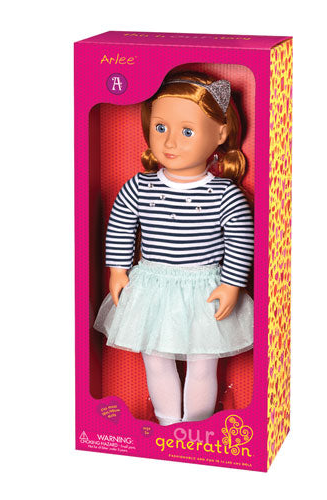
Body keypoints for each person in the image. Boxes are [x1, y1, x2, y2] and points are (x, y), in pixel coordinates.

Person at [93, 71, 254, 426]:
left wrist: (231, 283)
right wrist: (117, 270)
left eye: (187, 132)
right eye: (160, 127)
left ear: (220, 134)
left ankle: (196, 424)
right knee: (155, 358)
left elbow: (240, 240)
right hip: (152, 286)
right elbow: (120, 226)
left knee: (203, 362)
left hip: (204, 288)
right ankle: (168, 423)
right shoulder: (140, 186)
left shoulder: (224, 194)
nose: (170, 141)